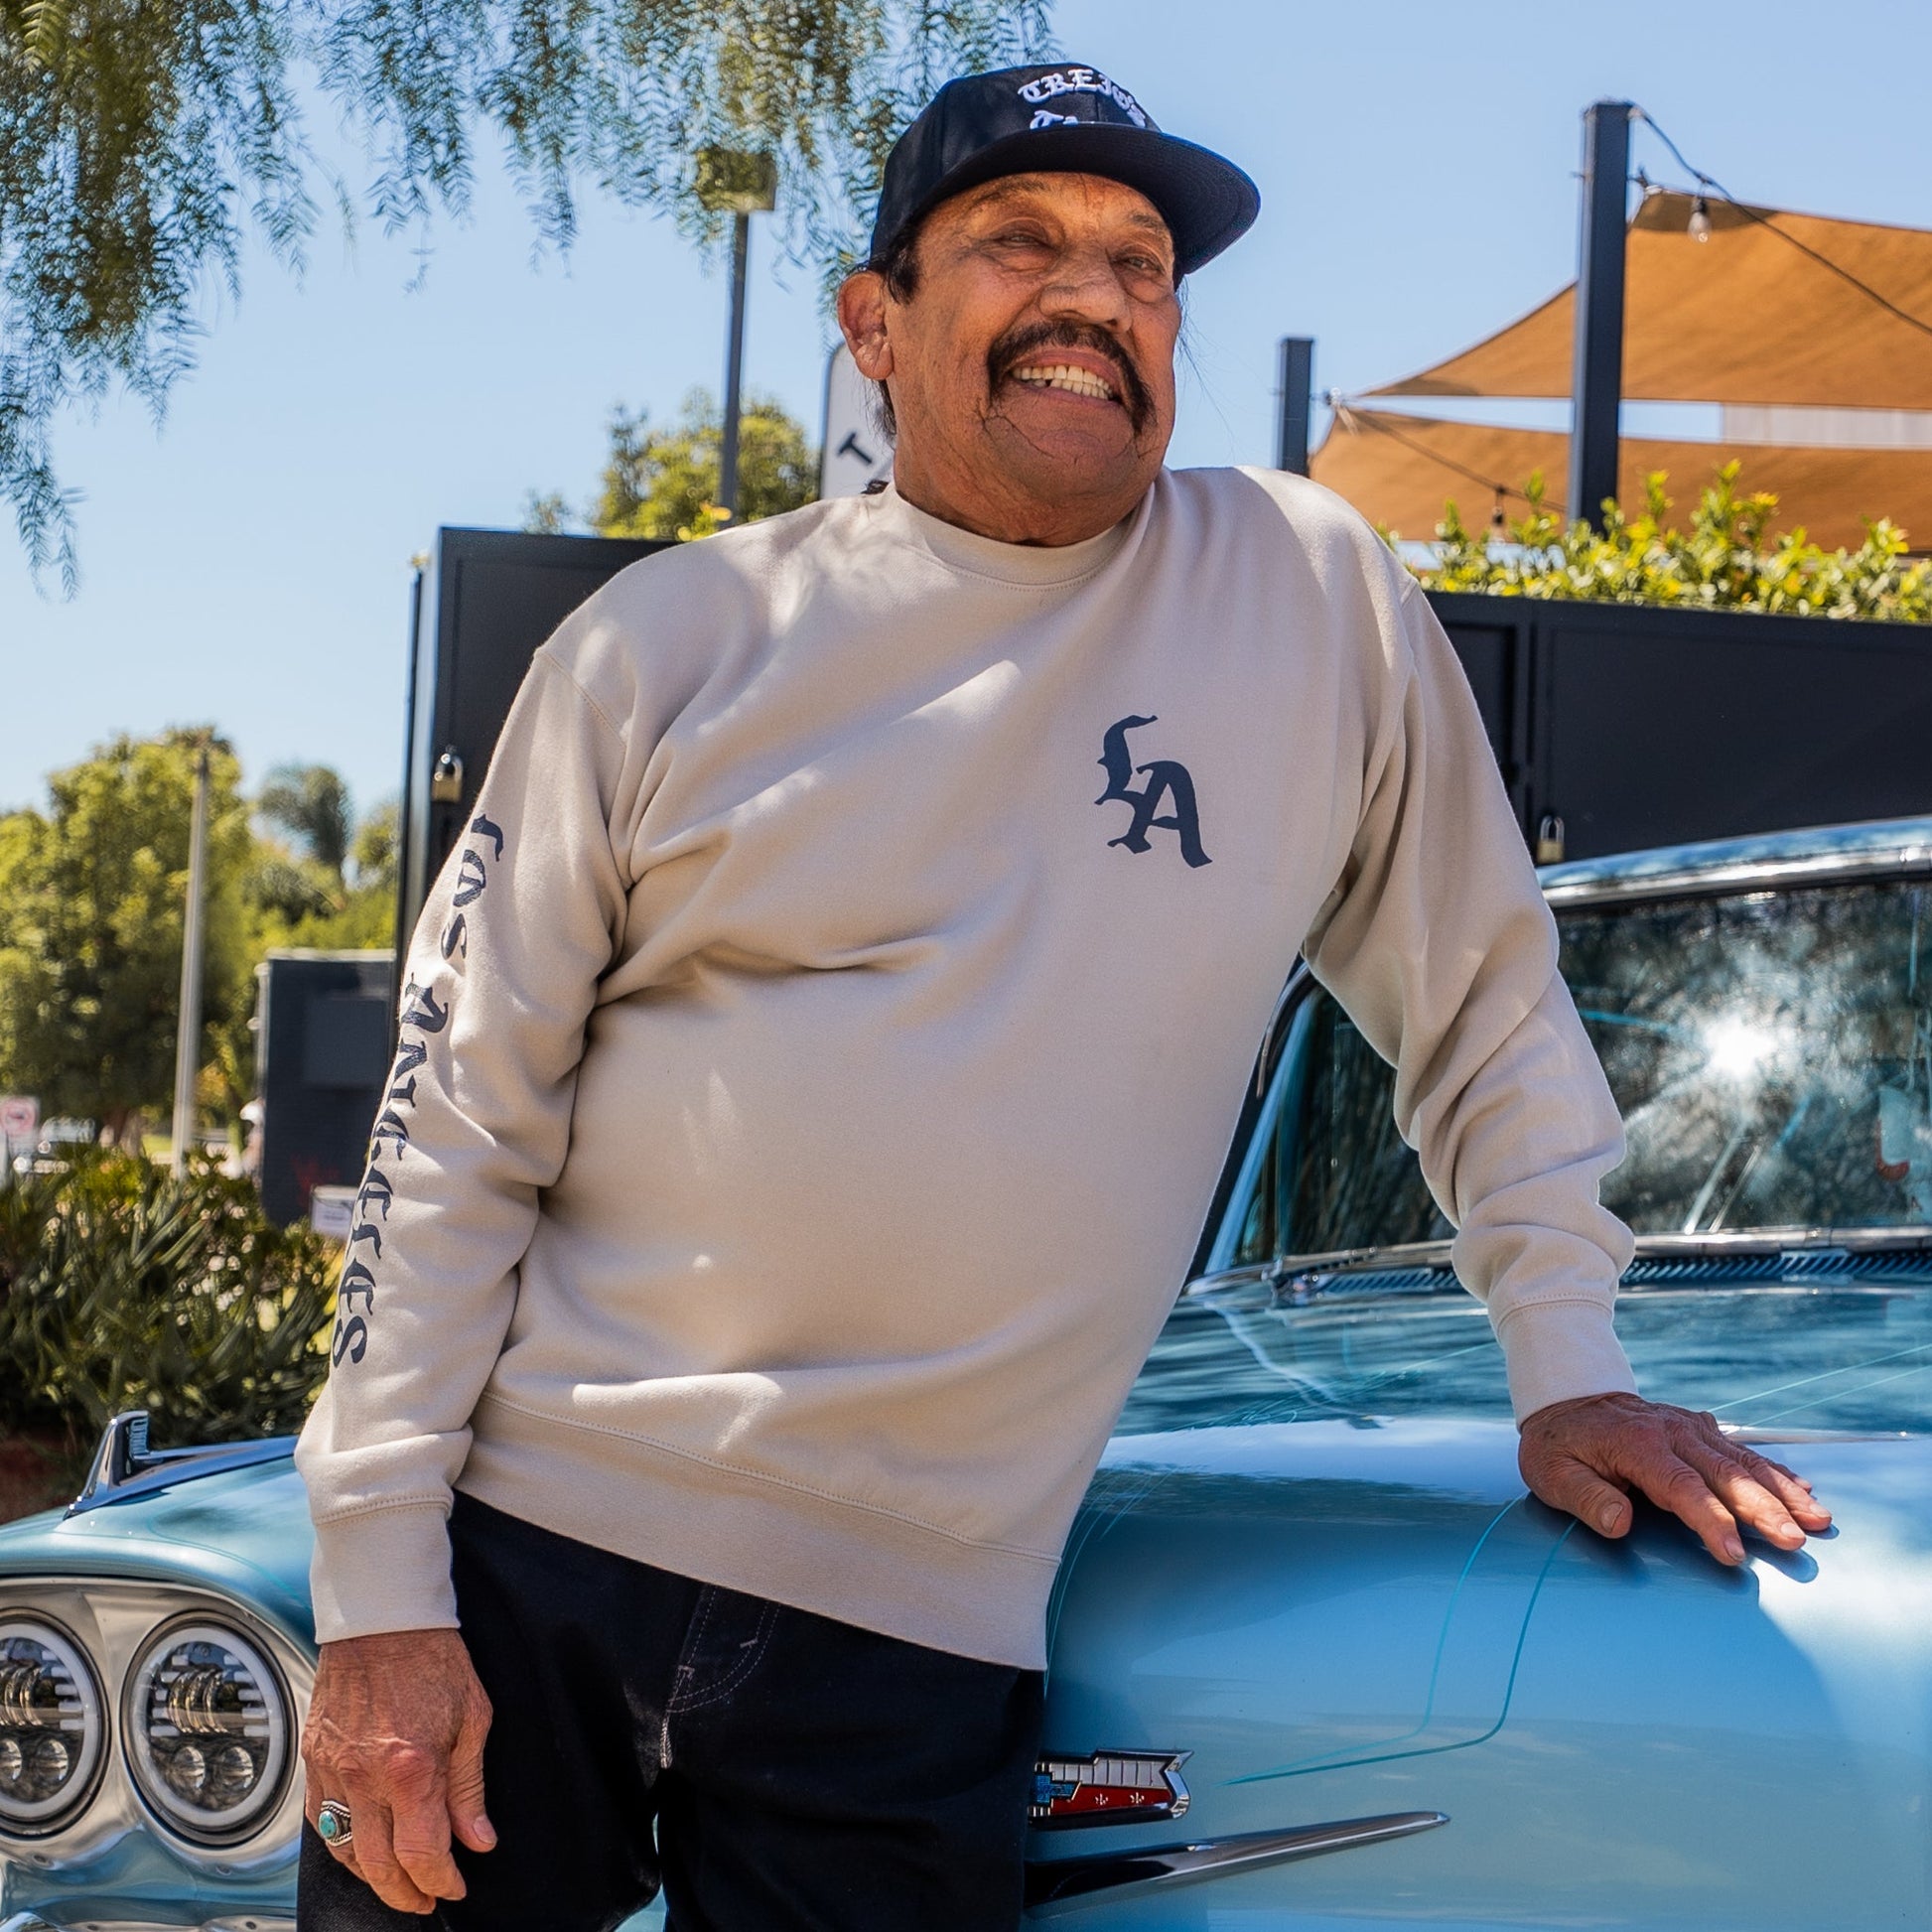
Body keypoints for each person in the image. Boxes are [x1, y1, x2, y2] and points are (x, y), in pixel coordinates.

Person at [294, 61, 1832, 1931]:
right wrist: (378, 1584)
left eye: (1142, 264)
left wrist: (1569, 1366)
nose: (1095, 297)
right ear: (874, 324)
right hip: (527, 1549)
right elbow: (452, 1111)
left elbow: (1484, 1000)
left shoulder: (1307, 599)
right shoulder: (669, 642)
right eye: (1019, 242)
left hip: (915, 1622)